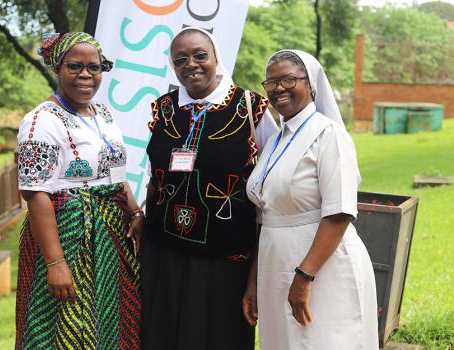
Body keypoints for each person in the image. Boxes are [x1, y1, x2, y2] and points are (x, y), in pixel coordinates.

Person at [141, 27, 279, 350]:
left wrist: (257, 269)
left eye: (200, 55)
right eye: (180, 59)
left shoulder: (249, 109)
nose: (191, 64)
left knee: (217, 337)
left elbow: (271, 183)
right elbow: (154, 177)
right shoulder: (164, 109)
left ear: (216, 57)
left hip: (224, 260)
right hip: (164, 252)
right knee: (162, 336)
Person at [15, 32, 143, 350]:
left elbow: (115, 173)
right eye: (75, 66)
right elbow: (35, 194)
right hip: (68, 236)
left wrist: (136, 211)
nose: (85, 75)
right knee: (66, 330)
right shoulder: (41, 121)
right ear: (58, 68)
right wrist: (56, 263)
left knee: (111, 326)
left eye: (93, 67)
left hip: (110, 237)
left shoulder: (104, 115)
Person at [243, 49, 378, 350]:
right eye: (271, 83)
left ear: (311, 84)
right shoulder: (276, 141)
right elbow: (267, 216)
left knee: (321, 341)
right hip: (275, 264)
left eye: (289, 79)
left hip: (321, 267)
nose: (279, 88)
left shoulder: (329, 135)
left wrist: (304, 277)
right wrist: (254, 280)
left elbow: (339, 212)